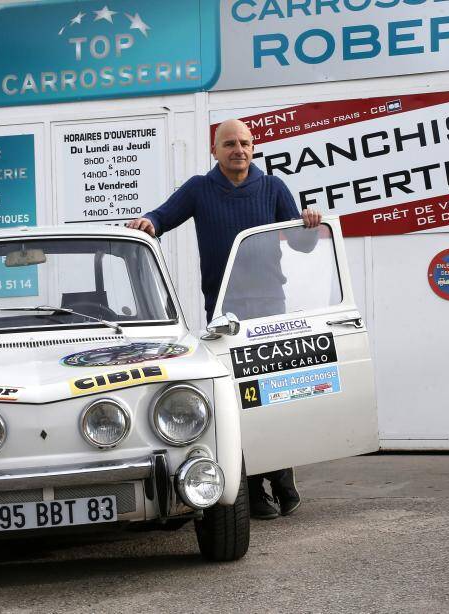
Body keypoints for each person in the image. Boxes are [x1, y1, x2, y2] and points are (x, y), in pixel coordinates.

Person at [127, 119, 322, 520]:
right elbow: (162, 217)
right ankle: (255, 490)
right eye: (230, 144)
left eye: (246, 143)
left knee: (273, 396)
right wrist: (147, 223)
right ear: (214, 150)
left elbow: (303, 245)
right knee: (239, 401)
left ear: (254, 148)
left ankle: (282, 480)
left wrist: (311, 223)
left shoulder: (273, 188)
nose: (239, 150)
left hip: (270, 307)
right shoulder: (200, 188)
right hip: (224, 314)